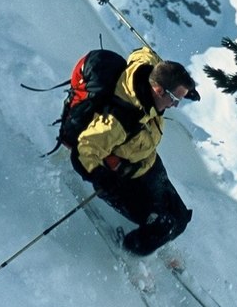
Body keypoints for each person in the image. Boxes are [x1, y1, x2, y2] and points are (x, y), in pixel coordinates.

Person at [68, 45, 199, 256]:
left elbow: (144, 53)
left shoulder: (147, 71)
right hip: (122, 177)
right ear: (158, 90)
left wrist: (183, 87)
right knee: (162, 226)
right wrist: (103, 179)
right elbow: (85, 150)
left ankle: (155, 238)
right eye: (175, 100)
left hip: (147, 163)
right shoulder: (120, 119)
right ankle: (130, 250)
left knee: (180, 219)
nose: (175, 106)